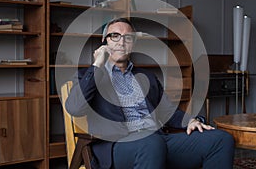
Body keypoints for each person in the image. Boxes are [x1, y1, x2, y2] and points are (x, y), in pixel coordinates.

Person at [65, 18, 235, 169]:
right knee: (151, 143)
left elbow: (167, 111)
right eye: (114, 36)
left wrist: (190, 120)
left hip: (157, 140)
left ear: (134, 43)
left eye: (128, 37)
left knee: (220, 139)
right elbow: (74, 107)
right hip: (117, 146)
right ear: (104, 41)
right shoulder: (89, 75)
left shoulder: (146, 77)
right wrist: (97, 65)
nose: (121, 42)